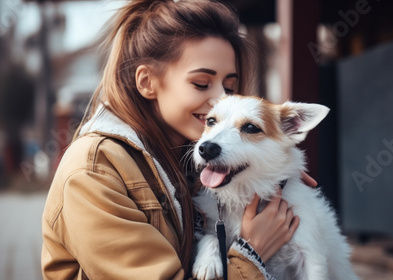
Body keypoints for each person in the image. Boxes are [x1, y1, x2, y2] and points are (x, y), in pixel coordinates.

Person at [41, 0, 316, 279]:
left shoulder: (185, 155)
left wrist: (267, 176)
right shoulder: (95, 172)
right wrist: (252, 252)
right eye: (201, 84)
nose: (220, 100)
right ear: (147, 82)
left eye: (229, 87)